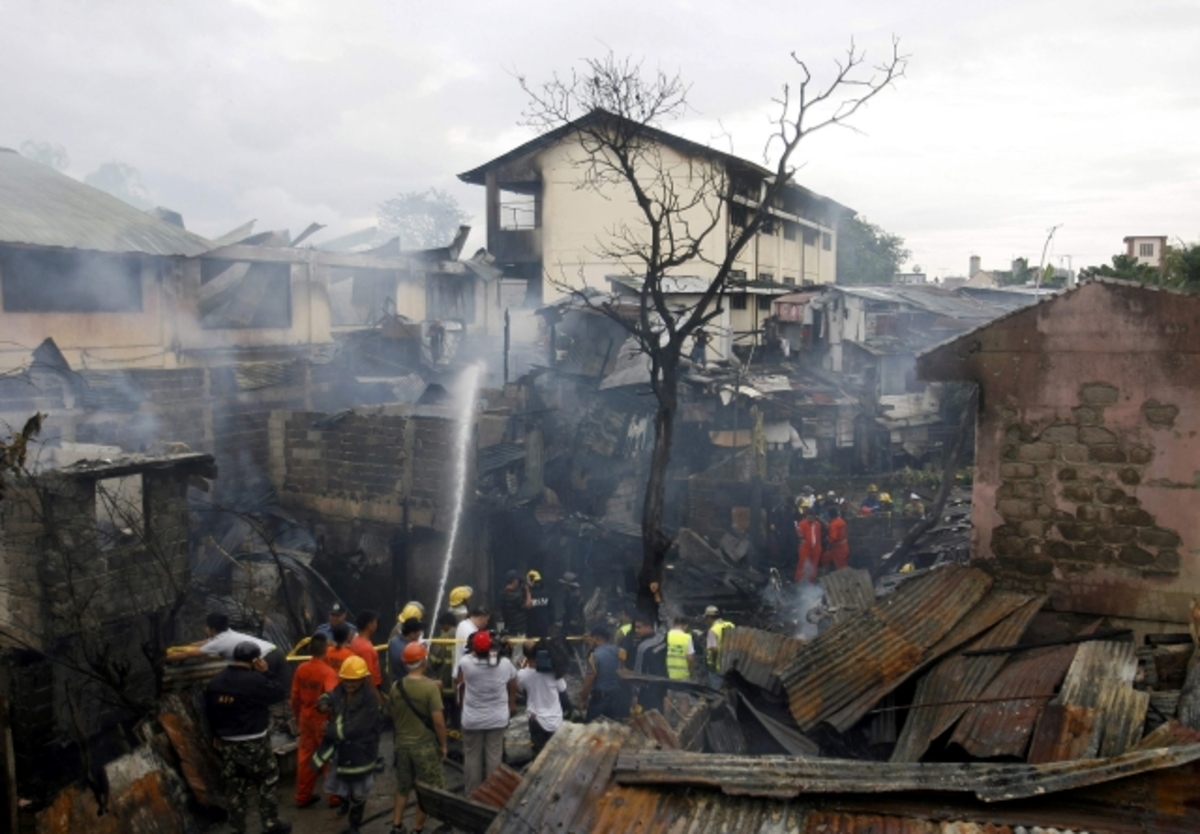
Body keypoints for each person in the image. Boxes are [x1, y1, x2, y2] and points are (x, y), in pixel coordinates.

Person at [204, 641, 291, 834]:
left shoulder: (215, 681)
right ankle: (270, 823)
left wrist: (215, 734)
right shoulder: (255, 681)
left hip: (227, 743)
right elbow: (278, 693)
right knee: (267, 781)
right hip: (254, 741)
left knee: (235, 787)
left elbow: (209, 711)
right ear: (256, 660)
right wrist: (266, 672)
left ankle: (238, 827)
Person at [313, 656, 382, 834]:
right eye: (346, 680)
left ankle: (354, 825)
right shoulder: (341, 690)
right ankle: (345, 805)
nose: (349, 684)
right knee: (342, 786)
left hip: (361, 753)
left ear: (363, 679)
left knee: (358, 792)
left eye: (354, 681)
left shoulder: (370, 699)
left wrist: (329, 730)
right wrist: (323, 703)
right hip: (343, 752)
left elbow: (356, 728)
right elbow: (330, 695)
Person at [387, 642, 448, 834]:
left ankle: (396, 826)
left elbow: (394, 715)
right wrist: (444, 745)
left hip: (403, 746)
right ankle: (417, 828)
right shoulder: (430, 688)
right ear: (423, 660)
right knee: (428, 789)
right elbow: (438, 722)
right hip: (424, 747)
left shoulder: (396, 686)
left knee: (403, 787)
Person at [457, 630, 517, 796]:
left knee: (472, 758)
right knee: (494, 758)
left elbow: (460, 686)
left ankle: (472, 794)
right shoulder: (504, 663)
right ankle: (492, 795)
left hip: (472, 719)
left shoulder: (466, 663)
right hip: (497, 719)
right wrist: (512, 702)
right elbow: (513, 679)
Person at [290, 633, 338, 809]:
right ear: (326, 649)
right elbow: (331, 699)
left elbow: (294, 697)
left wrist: (298, 716)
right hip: (322, 719)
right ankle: (335, 797)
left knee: (305, 758)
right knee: (329, 758)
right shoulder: (328, 672)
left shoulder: (301, 668)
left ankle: (303, 796)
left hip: (305, 716)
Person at [170, 612, 286, 682]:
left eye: (207, 627)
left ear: (213, 630)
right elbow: (206, 642)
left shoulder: (220, 642)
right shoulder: (228, 633)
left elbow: (190, 653)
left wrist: (166, 657)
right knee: (279, 687)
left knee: (260, 687)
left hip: (264, 659)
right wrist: (183, 646)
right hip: (275, 653)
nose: (205, 628)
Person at [517, 640, 568, 757]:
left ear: (525, 656)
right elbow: (562, 689)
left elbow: (521, 689)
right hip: (555, 720)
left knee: (538, 754)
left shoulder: (522, 675)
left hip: (536, 719)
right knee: (555, 754)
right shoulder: (554, 673)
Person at [580, 625, 623, 721]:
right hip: (615, 698)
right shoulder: (618, 651)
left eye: (591, 639)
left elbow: (588, 681)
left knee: (592, 730)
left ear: (597, 638)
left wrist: (583, 699)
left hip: (599, 700)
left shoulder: (594, 655)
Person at [628, 614, 668, 715]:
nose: (636, 630)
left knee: (647, 718)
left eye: (639, 627)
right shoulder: (661, 640)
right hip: (661, 686)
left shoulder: (642, 647)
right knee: (659, 715)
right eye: (635, 627)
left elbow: (638, 671)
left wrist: (635, 693)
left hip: (647, 690)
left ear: (649, 627)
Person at [427, 612, 460, 729]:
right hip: (458, 682)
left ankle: (445, 733)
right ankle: (457, 731)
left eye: (443, 625)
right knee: (457, 710)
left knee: (444, 709)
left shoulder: (443, 639)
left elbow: (434, 661)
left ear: (446, 624)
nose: (442, 627)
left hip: (445, 682)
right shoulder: (462, 635)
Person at [453, 606, 490, 679]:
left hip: (461, 671)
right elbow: (469, 652)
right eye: (486, 620)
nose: (487, 623)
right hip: (466, 675)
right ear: (481, 618)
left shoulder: (463, 624)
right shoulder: (471, 632)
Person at [350, 610, 383, 690]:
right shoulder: (366, 648)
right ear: (369, 625)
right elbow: (369, 675)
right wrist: (376, 695)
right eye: (374, 622)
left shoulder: (355, 640)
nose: (376, 625)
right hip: (370, 687)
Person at [388, 617, 426, 687]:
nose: (420, 634)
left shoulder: (393, 641)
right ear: (411, 634)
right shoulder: (408, 650)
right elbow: (415, 671)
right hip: (409, 685)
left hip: (396, 682)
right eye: (418, 632)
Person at [704, 606, 734, 689]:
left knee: (716, 692)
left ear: (709, 617)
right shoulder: (730, 625)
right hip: (730, 665)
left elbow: (714, 649)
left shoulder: (713, 630)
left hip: (718, 667)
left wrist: (713, 663)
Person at [795, 506, 824, 583]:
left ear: (814, 516)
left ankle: (811, 581)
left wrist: (819, 546)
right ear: (806, 516)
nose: (810, 517)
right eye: (808, 515)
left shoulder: (818, 524)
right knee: (802, 563)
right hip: (805, 547)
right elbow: (799, 534)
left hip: (816, 548)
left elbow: (819, 536)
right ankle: (799, 580)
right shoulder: (802, 523)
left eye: (812, 516)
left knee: (814, 565)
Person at [499, 570, 530, 637]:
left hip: (508, 628)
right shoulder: (515, 596)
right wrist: (527, 591)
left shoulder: (502, 594)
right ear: (514, 581)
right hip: (518, 630)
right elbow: (528, 605)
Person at [526, 571, 554, 639]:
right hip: (544, 631)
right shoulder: (547, 595)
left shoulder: (528, 597)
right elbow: (552, 614)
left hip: (531, 633)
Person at [666, 616, 695, 681]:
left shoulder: (666, 636)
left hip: (667, 676)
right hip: (683, 676)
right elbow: (690, 659)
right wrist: (692, 674)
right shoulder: (687, 637)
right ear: (686, 626)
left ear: (673, 625)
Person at [823, 506, 849, 572]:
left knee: (841, 566)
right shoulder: (842, 521)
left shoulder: (833, 524)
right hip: (844, 545)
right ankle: (826, 571)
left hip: (837, 548)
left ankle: (844, 579)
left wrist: (827, 539)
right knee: (826, 557)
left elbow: (833, 538)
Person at [559, 572, 584, 636]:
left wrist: (567, 628)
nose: (562, 586)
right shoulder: (571, 594)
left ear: (568, 585)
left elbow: (573, 615)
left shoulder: (574, 597)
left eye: (563, 584)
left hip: (573, 629)